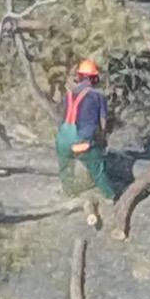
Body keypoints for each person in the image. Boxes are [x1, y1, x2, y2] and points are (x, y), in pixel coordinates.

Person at [57, 58, 116, 202]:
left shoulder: (68, 96)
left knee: (66, 169)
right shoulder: (98, 96)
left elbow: (64, 118)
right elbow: (103, 123)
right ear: (94, 78)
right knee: (98, 169)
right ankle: (111, 197)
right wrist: (102, 141)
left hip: (62, 142)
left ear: (80, 77)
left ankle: (69, 193)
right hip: (83, 142)